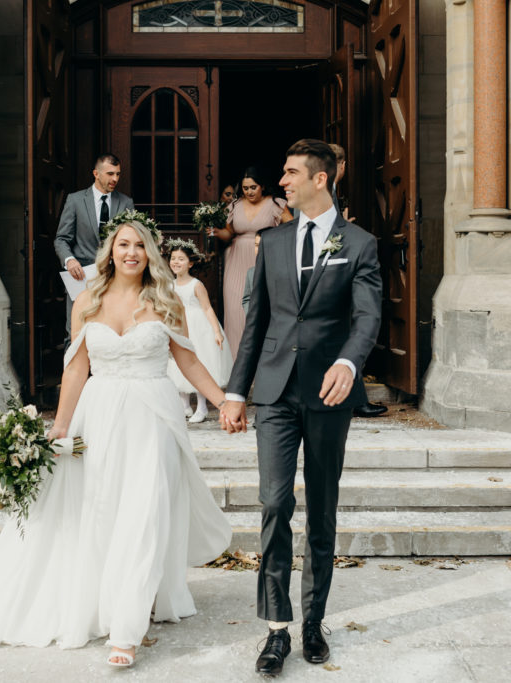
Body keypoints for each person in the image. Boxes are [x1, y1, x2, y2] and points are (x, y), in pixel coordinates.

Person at [0, 221, 232, 668]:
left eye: (141, 245)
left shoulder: (167, 301)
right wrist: (60, 426)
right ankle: (105, 600)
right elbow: (76, 369)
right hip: (98, 418)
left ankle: (126, 629)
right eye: (124, 244)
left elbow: (189, 360)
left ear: (151, 254)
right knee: (100, 511)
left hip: (153, 417)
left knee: (145, 512)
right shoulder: (88, 300)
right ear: (110, 252)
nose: (132, 252)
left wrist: (222, 402)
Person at [220, 139, 382, 676]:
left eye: (291, 173)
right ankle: (276, 630)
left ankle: (314, 622)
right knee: (273, 504)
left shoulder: (359, 243)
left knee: (323, 510)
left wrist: (350, 363)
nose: (282, 181)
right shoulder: (273, 241)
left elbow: (366, 318)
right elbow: (256, 322)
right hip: (275, 393)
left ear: (321, 178)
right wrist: (236, 391)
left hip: (329, 395)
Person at [328, 143, 387, 419]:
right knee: (350, 330)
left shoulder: (329, 192)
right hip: (333, 275)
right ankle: (353, 399)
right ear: (342, 165)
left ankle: (354, 397)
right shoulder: (326, 192)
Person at [53, 154, 134, 345]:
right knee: (75, 334)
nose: (115, 179)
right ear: (96, 174)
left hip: (115, 278)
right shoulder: (75, 200)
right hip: (81, 278)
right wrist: (69, 260)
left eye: (118, 174)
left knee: (113, 333)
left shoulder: (126, 203)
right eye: (110, 174)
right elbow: (61, 239)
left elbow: (131, 239)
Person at [211, 167, 293, 356]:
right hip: (236, 260)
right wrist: (216, 232)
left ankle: (262, 360)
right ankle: (236, 360)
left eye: (253, 187)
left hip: (264, 258)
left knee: (259, 309)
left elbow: (291, 229)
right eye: (246, 188)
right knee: (234, 310)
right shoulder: (236, 205)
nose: (249, 192)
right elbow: (228, 233)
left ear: (262, 186)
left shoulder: (276, 204)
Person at [165, 239, 233, 423]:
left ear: (191, 263)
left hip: (198, 326)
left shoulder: (196, 285)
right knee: (177, 364)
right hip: (179, 325)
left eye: (181, 259)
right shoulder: (169, 285)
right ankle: (184, 405)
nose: (176, 262)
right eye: (173, 258)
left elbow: (207, 308)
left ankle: (202, 407)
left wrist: (216, 332)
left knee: (200, 362)